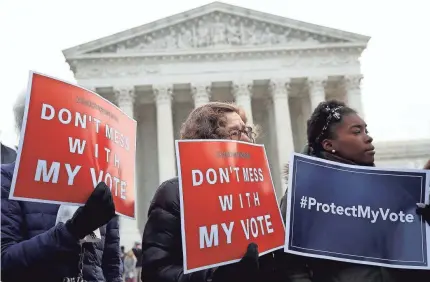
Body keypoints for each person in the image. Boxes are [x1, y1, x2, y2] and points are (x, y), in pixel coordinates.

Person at [275, 100, 430, 282]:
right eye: (356, 132)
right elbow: (292, 267)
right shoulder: (304, 195)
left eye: (366, 130)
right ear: (328, 144)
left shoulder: (387, 189)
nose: (368, 137)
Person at [141, 102, 271, 282]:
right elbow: (156, 273)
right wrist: (214, 278)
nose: (248, 140)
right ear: (209, 140)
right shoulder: (174, 195)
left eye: (247, 132)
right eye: (235, 133)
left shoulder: (258, 195)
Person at [1, 92, 123, 282]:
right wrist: (72, 232)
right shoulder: (8, 178)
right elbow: (5, 263)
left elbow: (112, 267)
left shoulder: (96, 183)